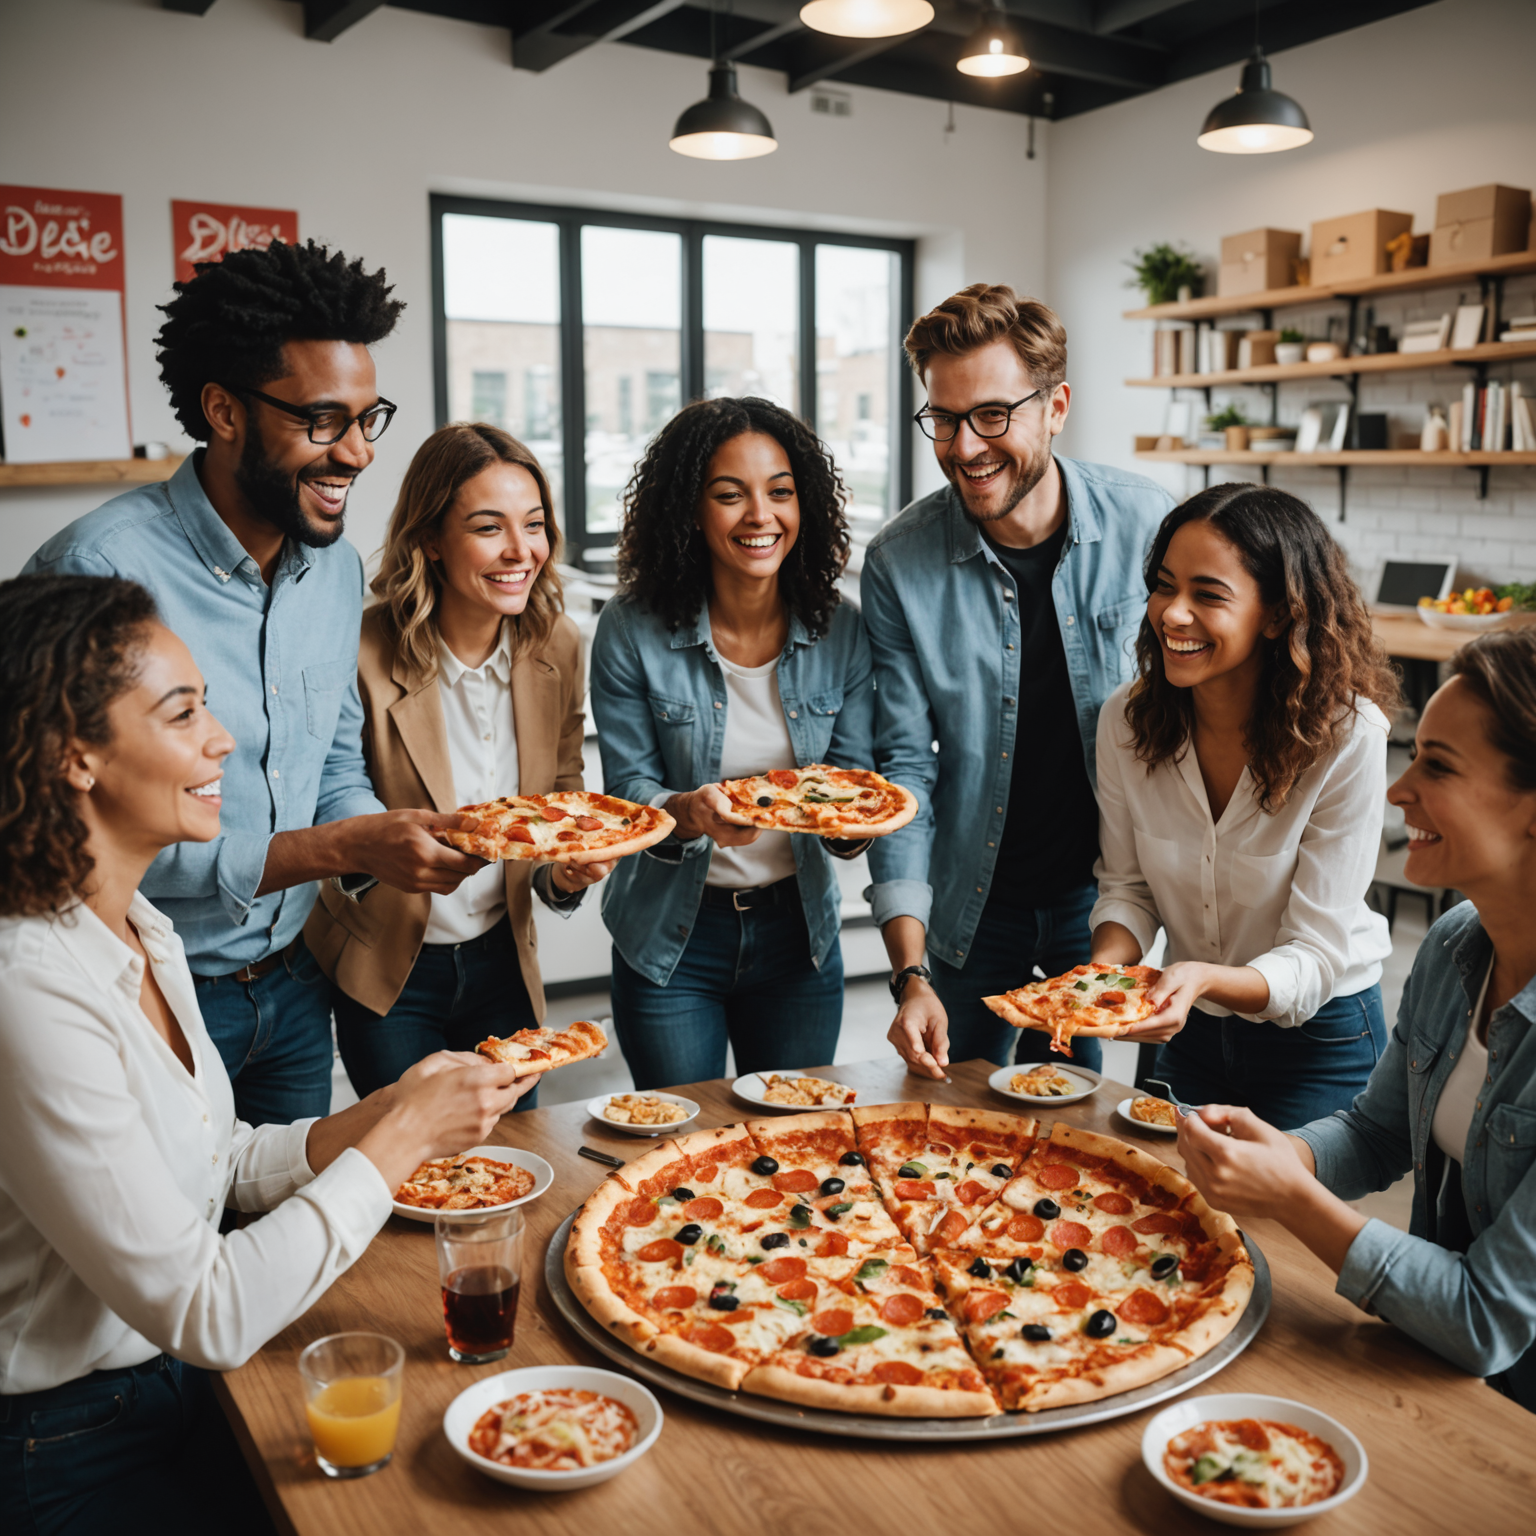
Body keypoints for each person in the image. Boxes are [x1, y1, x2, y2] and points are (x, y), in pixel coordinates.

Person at [0, 574, 535, 1534]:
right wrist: (403, 1141)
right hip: (63, 1445)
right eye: (183, 713)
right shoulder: (25, 989)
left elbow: (220, 1160)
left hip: (178, 1390)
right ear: (74, 755)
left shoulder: (140, 926)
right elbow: (207, 1308)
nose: (223, 740)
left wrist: (381, 1112)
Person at [23, 241, 484, 1125]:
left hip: (294, 985)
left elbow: (334, 761)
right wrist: (340, 850)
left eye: (368, 420)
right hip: (146, 991)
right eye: (324, 421)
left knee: (291, 1207)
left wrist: (381, 837)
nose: (358, 454)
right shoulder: (96, 570)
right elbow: (61, 836)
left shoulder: (335, 567)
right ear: (224, 411)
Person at [1175, 629, 1536, 1415]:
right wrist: (1289, 1153)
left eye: (1438, 766)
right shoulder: (1455, 945)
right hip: (1428, 1366)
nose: (1398, 790)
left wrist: (1293, 1197)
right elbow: (1378, 1134)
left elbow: (1487, 1318)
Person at [863, 284, 1173, 1081]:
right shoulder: (898, 562)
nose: (965, 446)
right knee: (951, 1122)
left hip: (1107, 895)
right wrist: (910, 973)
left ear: (1056, 406)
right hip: (971, 901)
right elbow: (905, 768)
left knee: (1074, 1115)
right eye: (944, 418)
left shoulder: (1150, 525)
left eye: (993, 415)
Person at [306, 424, 616, 1105]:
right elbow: (336, 792)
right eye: (488, 527)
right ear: (430, 540)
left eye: (533, 524)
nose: (520, 551)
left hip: (504, 960)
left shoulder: (559, 646)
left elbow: (561, 797)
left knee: (516, 1151)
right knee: (410, 1155)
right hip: (390, 965)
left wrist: (565, 872)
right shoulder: (361, 649)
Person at [1089, 483, 1398, 1123]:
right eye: (1164, 586)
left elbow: (1313, 956)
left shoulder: (1348, 735)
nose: (1173, 614)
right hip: (1188, 1024)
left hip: (1321, 1038)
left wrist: (1199, 978)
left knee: (1278, 1198)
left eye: (1208, 595)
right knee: (1157, 1189)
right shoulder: (1125, 720)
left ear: (1279, 615)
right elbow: (1128, 889)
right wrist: (1097, 978)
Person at [589, 397, 875, 1088]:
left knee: (792, 1135)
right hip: (672, 937)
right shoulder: (630, 628)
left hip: (798, 936)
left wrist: (848, 829)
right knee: (680, 1140)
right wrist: (688, 812)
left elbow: (858, 781)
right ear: (690, 509)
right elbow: (626, 791)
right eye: (728, 495)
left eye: (780, 492)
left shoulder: (843, 629)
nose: (759, 515)